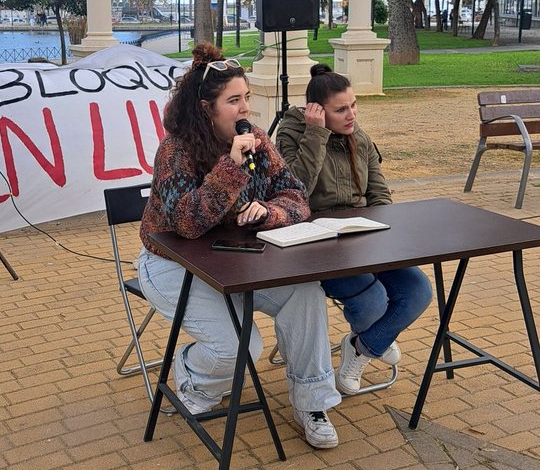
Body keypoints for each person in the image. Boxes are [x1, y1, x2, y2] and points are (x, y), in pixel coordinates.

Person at [138, 43, 340, 448]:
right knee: (242, 347)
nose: (245, 108)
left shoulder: (258, 140)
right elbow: (187, 223)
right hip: (172, 264)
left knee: (305, 292)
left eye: (245, 97)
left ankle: (312, 403)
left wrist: (269, 212)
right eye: (233, 101)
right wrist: (230, 166)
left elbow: (296, 197)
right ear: (206, 108)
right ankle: (192, 375)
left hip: (237, 260)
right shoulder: (175, 151)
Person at [276, 63, 432, 395]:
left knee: (418, 290)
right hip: (316, 244)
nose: (351, 115)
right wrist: (316, 134)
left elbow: (379, 192)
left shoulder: (358, 137)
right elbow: (294, 191)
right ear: (317, 111)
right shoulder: (292, 134)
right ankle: (378, 336)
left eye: (354, 105)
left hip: (363, 236)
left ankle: (363, 347)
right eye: (341, 109)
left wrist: (383, 232)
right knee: (373, 302)